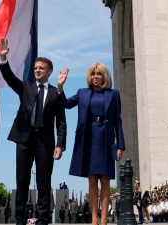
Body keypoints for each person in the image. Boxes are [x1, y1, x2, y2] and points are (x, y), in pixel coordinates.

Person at [0, 38, 67, 225]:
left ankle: (43, 220)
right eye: (36, 68)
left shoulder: (55, 92)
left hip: (45, 141)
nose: (37, 70)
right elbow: (10, 78)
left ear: (49, 72)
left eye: (41, 68)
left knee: (44, 183)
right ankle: (20, 220)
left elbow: (61, 121)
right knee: (22, 181)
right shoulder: (25, 87)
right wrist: (3, 59)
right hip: (24, 140)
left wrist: (60, 145)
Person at [57, 62, 125, 225]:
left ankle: (103, 220)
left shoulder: (113, 94)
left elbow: (118, 121)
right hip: (88, 138)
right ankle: (94, 219)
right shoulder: (82, 93)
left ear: (105, 76)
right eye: (93, 73)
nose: (96, 76)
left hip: (106, 138)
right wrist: (60, 87)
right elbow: (65, 104)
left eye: (99, 73)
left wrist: (120, 145)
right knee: (92, 178)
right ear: (89, 76)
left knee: (106, 179)